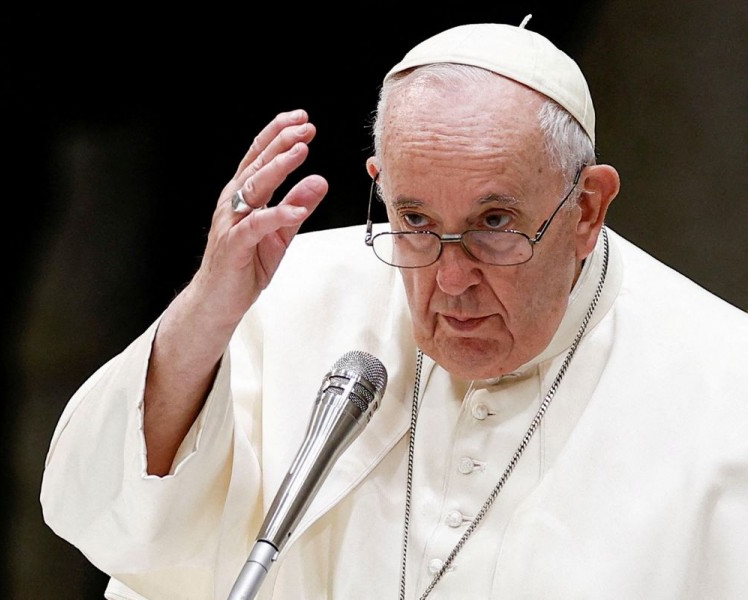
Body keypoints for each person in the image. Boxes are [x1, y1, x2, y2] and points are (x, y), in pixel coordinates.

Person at [40, 19, 748, 600]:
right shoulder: (284, 294)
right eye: (413, 219)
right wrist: (205, 310)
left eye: (494, 223)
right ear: (381, 185)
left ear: (587, 208)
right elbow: (107, 518)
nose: (450, 279)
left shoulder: (724, 385)